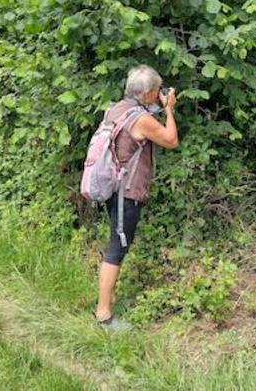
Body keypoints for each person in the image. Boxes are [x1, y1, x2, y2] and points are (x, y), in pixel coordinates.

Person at [95, 65, 179, 330]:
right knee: (116, 249)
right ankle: (104, 315)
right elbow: (170, 139)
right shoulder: (142, 119)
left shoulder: (116, 109)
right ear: (150, 92)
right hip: (126, 193)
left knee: (116, 244)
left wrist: (157, 107)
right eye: (157, 90)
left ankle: (106, 300)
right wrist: (168, 109)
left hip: (113, 187)